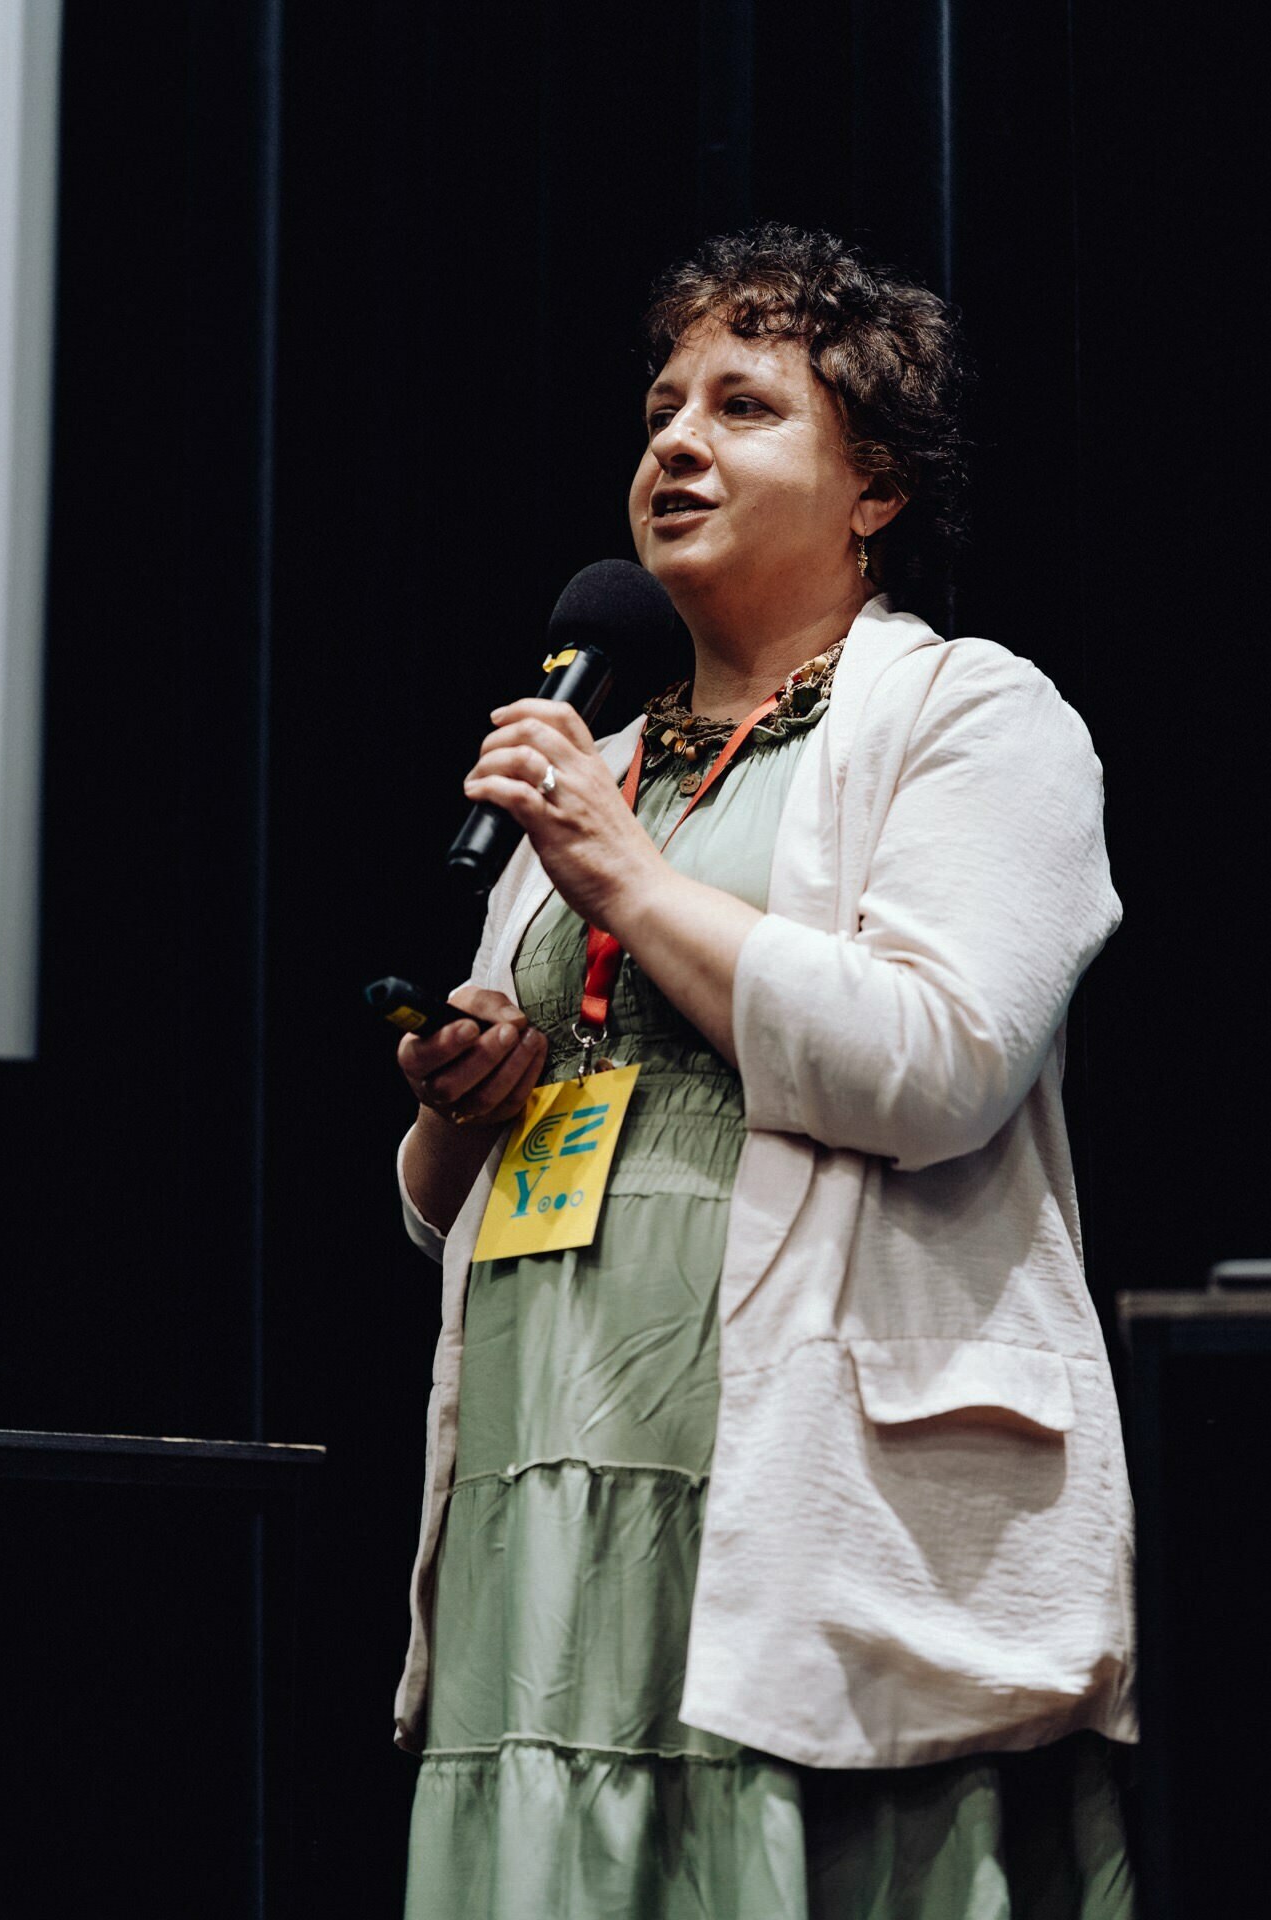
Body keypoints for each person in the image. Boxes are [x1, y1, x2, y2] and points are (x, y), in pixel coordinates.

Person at [391, 225, 1137, 1918]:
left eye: (743, 407)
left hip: (795, 1464)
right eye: (661, 407)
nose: (674, 443)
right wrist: (458, 1107)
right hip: (547, 1458)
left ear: (872, 486)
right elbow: (451, 1198)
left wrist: (630, 883)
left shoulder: (970, 716)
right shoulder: (606, 763)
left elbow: (944, 1062)